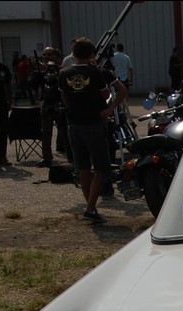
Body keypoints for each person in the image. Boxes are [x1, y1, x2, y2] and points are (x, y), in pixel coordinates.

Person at [58, 36, 125, 222]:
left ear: (73, 54)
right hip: (93, 123)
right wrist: (108, 109)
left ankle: (91, 207)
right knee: (102, 167)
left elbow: (64, 98)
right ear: (92, 54)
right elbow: (105, 94)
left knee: (83, 167)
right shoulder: (95, 72)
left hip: (74, 124)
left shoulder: (64, 73)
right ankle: (90, 208)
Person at [38, 47, 65, 167]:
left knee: (65, 131)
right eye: (44, 55)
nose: (46, 57)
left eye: (49, 55)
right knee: (45, 133)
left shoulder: (61, 70)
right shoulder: (42, 72)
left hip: (59, 103)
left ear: (55, 56)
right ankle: (47, 157)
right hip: (47, 104)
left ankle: (71, 156)